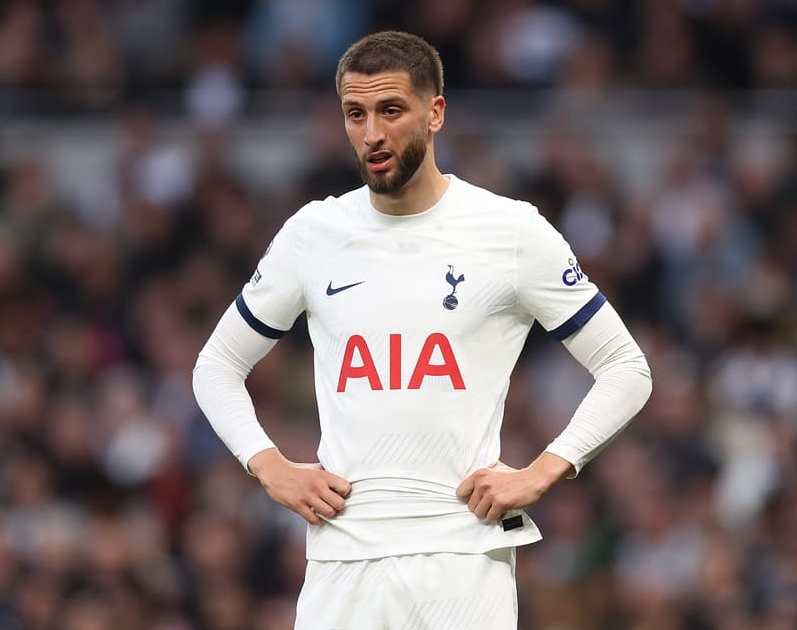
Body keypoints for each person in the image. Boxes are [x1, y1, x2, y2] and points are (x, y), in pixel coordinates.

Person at [192, 30, 652, 629]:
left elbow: (627, 369)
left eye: (390, 110)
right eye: (354, 114)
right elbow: (215, 366)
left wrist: (546, 468)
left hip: (464, 562)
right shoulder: (314, 234)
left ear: (435, 113)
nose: (371, 134)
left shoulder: (510, 231)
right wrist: (268, 464)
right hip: (342, 562)